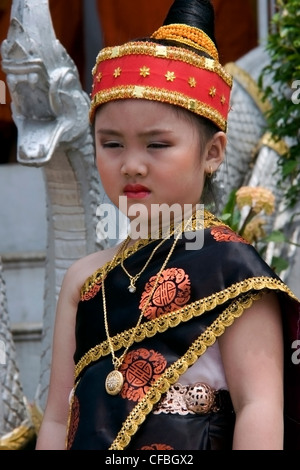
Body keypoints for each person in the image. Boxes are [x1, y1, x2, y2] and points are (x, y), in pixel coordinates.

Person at [35, 0, 300, 450]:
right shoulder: (84, 279)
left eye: (157, 144)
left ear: (213, 153)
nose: (131, 165)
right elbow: (59, 422)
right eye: (111, 143)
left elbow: (260, 406)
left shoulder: (233, 270)